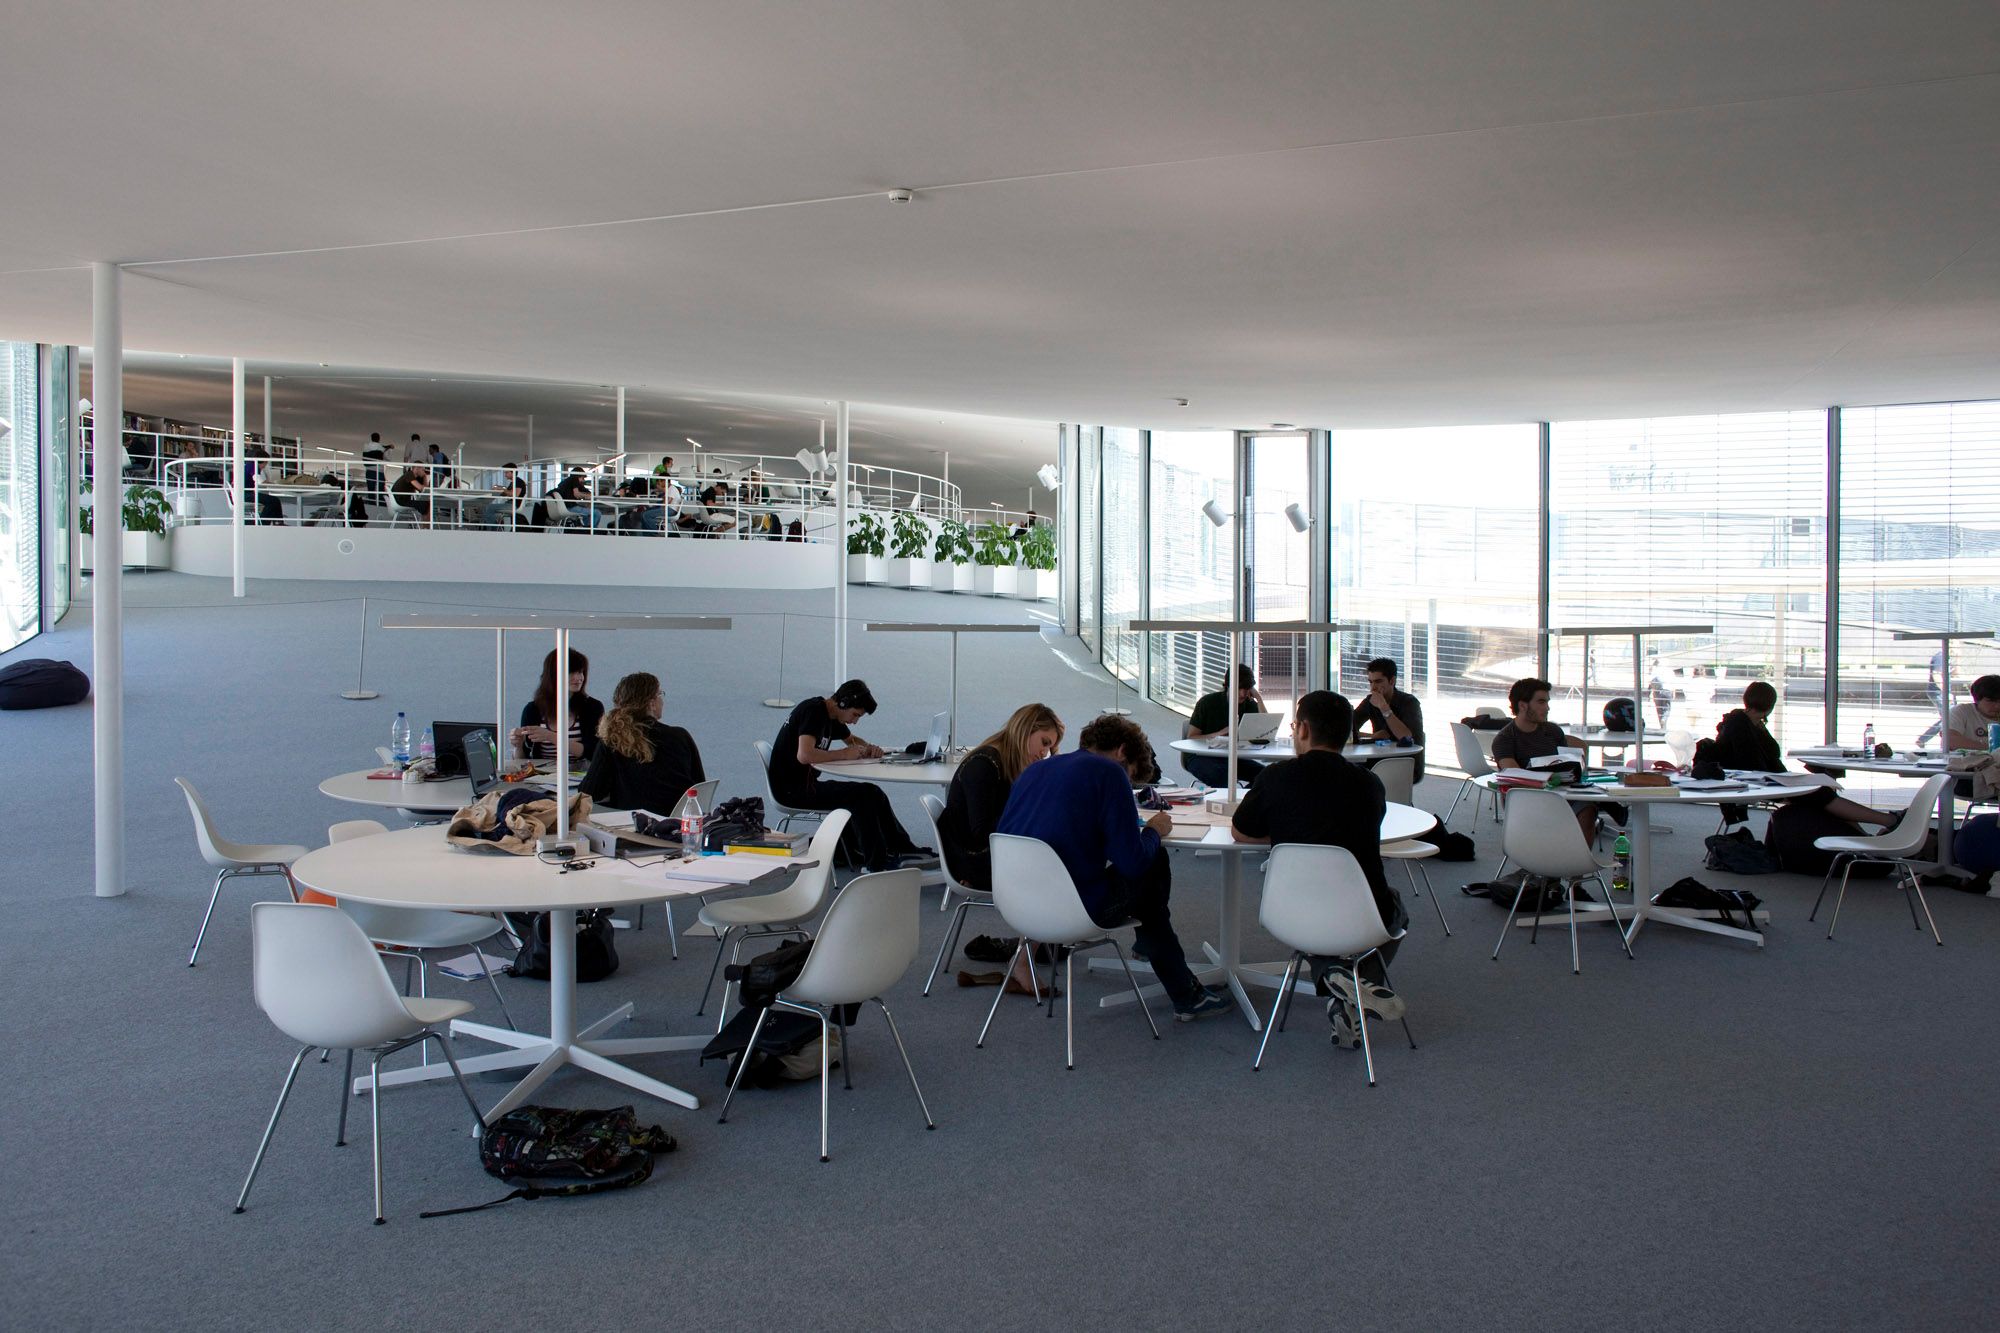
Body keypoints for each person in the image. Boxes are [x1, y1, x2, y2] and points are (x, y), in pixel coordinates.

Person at [996, 713, 1230, 1021]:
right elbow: (1132, 862)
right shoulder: (1109, 773)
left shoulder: (1035, 770)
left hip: (1017, 905)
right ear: (1122, 752)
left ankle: (1171, 972)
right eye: (1130, 775)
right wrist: (1153, 831)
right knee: (1152, 864)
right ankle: (1183, 990)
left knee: (1145, 882)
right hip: (1072, 910)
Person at [1232, 690, 1406, 1046]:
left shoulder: (1276, 777)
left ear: (1304, 729)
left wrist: (1285, 832)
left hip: (1290, 911)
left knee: (1316, 919)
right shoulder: (1369, 783)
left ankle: (1335, 977)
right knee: (1397, 911)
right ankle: (1352, 985)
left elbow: (1240, 832)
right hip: (1363, 913)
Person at [940, 703, 1063, 991]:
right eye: (1045, 742)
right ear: (1026, 730)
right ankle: (1024, 960)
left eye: (1050, 747)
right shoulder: (984, 764)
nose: (1045, 753)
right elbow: (983, 831)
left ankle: (1035, 945)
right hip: (972, 858)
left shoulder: (1001, 761)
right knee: (1054, 874)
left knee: (1058, 861)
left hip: (984, 852)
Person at [769, 680, 931, 873]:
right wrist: (843, 754)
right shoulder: (813, 712)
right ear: (843, 703)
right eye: (855, 715)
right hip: (792, 791)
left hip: (805, 785)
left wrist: (867, 748)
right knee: (861, 797)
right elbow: (804, 755)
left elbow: (851, 740)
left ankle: (902, 849)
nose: (855, 721)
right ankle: (876, 865)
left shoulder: (831, 715)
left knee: (872, 791)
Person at [1711, 680, 1897, 828]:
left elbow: (1770, 754)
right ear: (1770, 705)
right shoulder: (1739, 723)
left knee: (1822, 793)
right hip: (1761, 783)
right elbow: (1753, 763)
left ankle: (1871, 831)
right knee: (1821, 795)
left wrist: (1761, 728)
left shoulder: (1751, 722)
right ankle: (1888, 821)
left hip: (1772, 779)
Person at [1491, 677, 1619, 841]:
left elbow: (1566, 765)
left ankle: (1579, 857)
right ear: (1522, 705)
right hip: (1527, 799)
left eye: (1547, 702)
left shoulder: (1552, 730)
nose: (1547, 707)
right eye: (1541, 702)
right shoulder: (1504, 739)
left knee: (1588, 807)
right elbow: (1516, 777)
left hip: (1564, 793)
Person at [577, 672, 706, 813]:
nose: (662, 701)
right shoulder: (680, 736)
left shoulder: (613, 741)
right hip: (681, 822)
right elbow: (700, 788)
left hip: (633, 823)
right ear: (651, 703)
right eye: (660, 695)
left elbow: (589, 793)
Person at [511, 648, 604, 764]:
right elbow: (522, 762)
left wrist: (550, 736)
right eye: (571, 672)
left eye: (581, 672)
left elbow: (593, 752)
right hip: (541, 774)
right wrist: (518, 746)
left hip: (581, 773)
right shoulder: (532, 709)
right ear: (554, 674)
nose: (578, 678)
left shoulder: (593, 707)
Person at [1182, 663, 1267, 788]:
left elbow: (1266, 729)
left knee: (1266, 776)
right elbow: (1192, 737)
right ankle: (1234, 799)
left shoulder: (1250, 704)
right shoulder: (1207, 703)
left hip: (1232, 757)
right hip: (1200, 756)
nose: (1243, 693)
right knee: (1221, 776)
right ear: (1228, 686)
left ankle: (1245, 798)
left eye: (1247, 688)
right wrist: (1220, 733)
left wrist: (1259, 699)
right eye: (1239, 688)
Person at [1352, 656, 1426, 780]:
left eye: (1378, 682)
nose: (1373, 688)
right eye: (1370, 682)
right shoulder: (1370, 701)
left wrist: (1384, 708)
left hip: (1406, 763)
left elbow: (1407, 737)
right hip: (1377, 759)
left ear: (1392, 681)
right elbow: (1348, 729)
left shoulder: (1409, 703)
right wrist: (1372, 736)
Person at [1943, 674, 2000, 752]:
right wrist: (1991, 749)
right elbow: (1950, 741)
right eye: (1991, 701)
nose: (1997, 706)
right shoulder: (1962, 711)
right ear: (1977, 699)